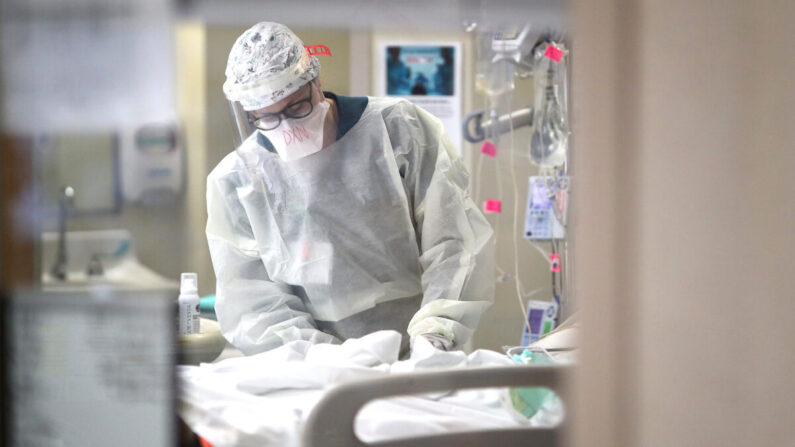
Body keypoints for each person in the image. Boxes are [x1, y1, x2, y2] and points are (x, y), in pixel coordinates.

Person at [206, 22, 494, 357]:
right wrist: (324, 357)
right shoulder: (238, 180)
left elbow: (454, 243)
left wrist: (434, 335)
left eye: (297, 106)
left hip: (419, 349)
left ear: (316, 82)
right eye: (267, 118)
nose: (287, 127)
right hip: (314, 365)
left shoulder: (399, 129)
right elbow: (252, 300)